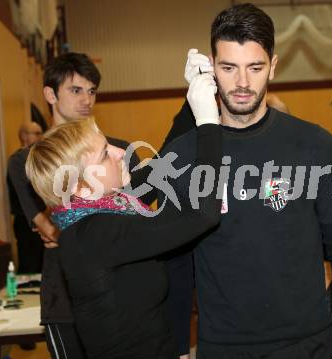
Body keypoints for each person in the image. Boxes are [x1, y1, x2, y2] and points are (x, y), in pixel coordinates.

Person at [161, 4, 332, 359]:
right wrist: (178, 349)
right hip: (224, 346)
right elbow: (177, 267)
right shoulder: (183, 156)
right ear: (211, 66)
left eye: (255, 68)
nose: (242, 83)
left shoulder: (315, 145)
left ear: (273, 65)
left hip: (308, 343)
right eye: (229, 68)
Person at [25, 74, 222, 358]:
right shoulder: (96, 235)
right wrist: (208, 125)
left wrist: (193, 96)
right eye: (105, 154)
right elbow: (203, 214)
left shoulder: (109, 209)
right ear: (81, 185)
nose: (120, 153)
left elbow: (160, 166)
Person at [7, 52, 144, 358]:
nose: (87, 100)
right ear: (49, 94)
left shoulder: (119, 150)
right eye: (76, 90)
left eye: (92, 91)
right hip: (64, 300)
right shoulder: (25, 161)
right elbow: (53, 230)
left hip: (123, 293)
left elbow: (136, 222)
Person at [7, 122, 44, 274]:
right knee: (30, 265)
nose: (40, 137)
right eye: (36, 133)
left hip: (43, 217)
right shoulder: (18, 161)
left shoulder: (39, 157)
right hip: (26, 220)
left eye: (41, 133)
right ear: (24, 136)